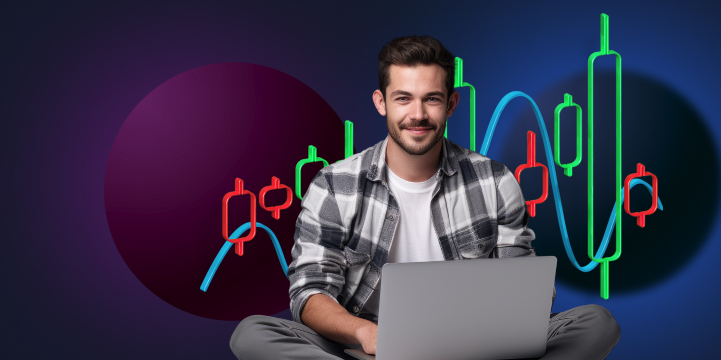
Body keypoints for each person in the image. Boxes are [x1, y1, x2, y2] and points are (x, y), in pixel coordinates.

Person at [230, 35, 620, 360]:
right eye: (403, 98)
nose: (417, 114)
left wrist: (497, 329)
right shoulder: (333, 184)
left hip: (472, 349)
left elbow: (523, 292)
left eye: (431, 99)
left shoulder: (495, 180)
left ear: (451, 103)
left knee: (596, 323)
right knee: (252, 334)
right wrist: (365, 333)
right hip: (365, 349)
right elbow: (309, 292)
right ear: (381, 102)